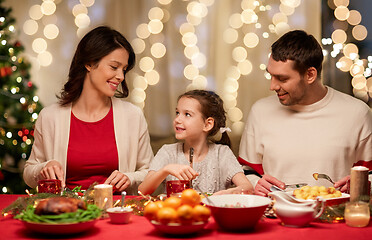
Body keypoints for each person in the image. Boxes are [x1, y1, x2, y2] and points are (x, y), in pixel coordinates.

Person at [238, 30, 372, 197]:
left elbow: (369, 174)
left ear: (310, 75)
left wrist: (363, 184)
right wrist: (256, 183)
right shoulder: (260, 111)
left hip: (335, 217)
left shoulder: (357, 113)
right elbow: (246, 171)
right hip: (276, 216)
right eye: (271, 75)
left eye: (282, 78)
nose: (272, 86)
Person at [23, 26, 154, 195]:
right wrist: (43, 168)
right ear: (89, 63)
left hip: (114, 213)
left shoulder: (133, 116)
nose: (121, 76)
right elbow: (28, 173)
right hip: (65, 213)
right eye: (114, 67)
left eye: (124, 69)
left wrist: (130, 178)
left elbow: (151, 172)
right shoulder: (50, 116)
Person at [139, 90, 253, 195]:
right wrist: (166, 170)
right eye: (177, 113)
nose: (177, 119)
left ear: (207, 124)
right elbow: (142, 191)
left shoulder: (221, 154)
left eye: (187, 114)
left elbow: (247, 188)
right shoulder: (168, 152)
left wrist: (225, 195)